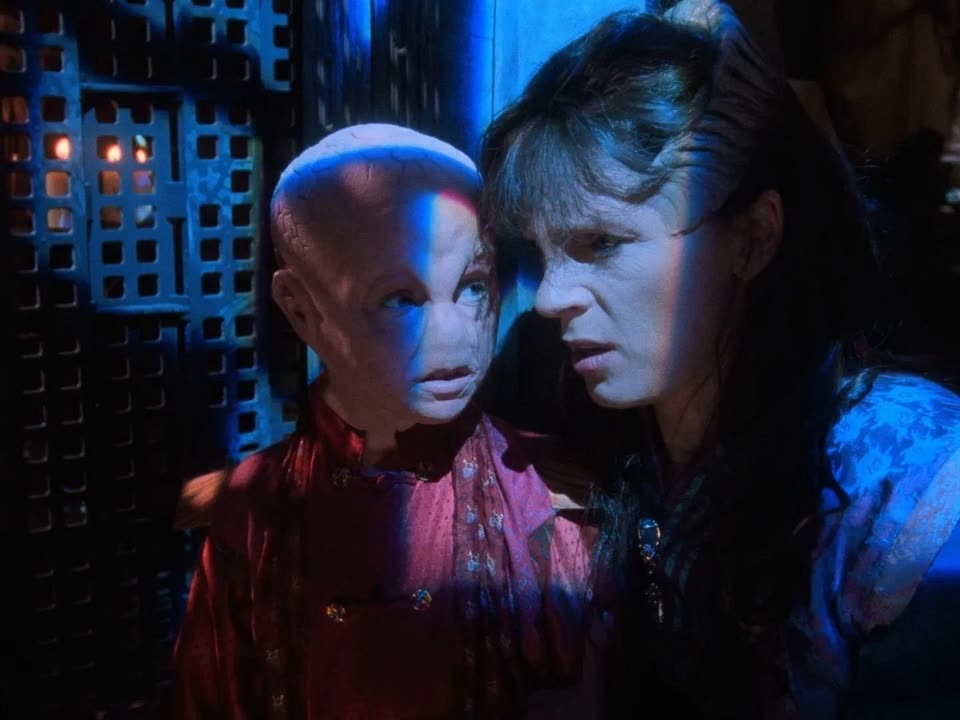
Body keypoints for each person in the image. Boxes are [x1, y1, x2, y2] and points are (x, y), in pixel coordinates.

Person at [479, 0, 960, 717]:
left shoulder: (906, 479)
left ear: (754, 238)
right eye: (541, 253)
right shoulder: (620, 444)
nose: (549, 298)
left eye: (602, 243)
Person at [172, 124, 602, 719]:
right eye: (400, 299)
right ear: (301, 309)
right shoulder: (252, 517)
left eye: (473, 287)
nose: (453, 337)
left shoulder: (545, 496)